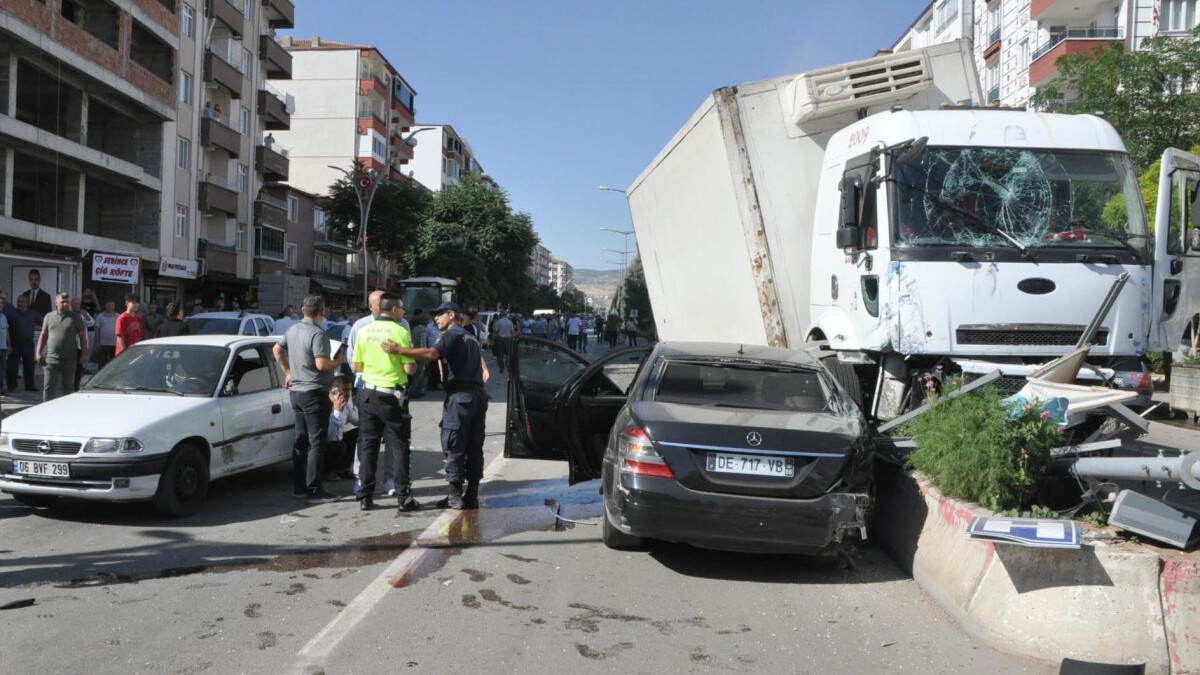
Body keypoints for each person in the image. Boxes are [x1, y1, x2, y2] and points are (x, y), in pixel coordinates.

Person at [393, 302, 488, 510]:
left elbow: (431, 354)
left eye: (439, 315)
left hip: (461, 396)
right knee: (474, 446)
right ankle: (471, 494)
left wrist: (399, 350)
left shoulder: (452, 334)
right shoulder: (469, 335)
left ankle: (455, 495)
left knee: (454, 444)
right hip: (478, 396)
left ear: (451, 315)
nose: (436, 319)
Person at [273, 295, 345, 503]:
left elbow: (277, 351)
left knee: (301, 440)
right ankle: (315, 490)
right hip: (314, 392)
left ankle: (300, 487)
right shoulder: (317, 333)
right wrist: (338, 360)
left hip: (297, 392)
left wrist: (287, 372)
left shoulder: (292, 329)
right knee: (316, 443)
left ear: (303, 310)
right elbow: (322, 365)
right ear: (322, 311)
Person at [351, 293, 417, 511]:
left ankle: (365, 496)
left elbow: (356, 367)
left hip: (368, 393)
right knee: (398, 445)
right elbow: (409, 369)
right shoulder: (400, 331)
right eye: (403, 308)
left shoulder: (363, 330)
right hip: (392, 396)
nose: (405, 312)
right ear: (395, 309)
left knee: (368, 445)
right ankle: (403, 497)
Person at [36, 292, 88, 402]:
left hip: (69, 359)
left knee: (68, 387)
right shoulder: (49, 317)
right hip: (51, 358)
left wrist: (84, 354)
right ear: (56, 303)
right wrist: (38, 352)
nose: (65, 304)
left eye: (67, 302)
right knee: (48, 387)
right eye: (62, 302)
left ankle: (66, 411)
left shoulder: (75, 317)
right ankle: (46, 410)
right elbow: (43, 335)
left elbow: (83, 337)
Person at [326, 374, 359, 483]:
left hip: (336, 440)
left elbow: (358, 421)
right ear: (334, 391)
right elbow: (331, 436)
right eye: (345, 390)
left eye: (350, 390)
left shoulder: (346, 404)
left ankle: (345, 469)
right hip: (325, 444)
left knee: (359, 432)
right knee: (339, 445)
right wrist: (337, 411)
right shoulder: (325, 404)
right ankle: (327, 471)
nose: (348, 393)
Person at [5, 294, 40, 392]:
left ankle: (30, 386)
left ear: (27, 303)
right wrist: (8, 344)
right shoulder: (12, 313)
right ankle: (11, 386)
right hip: (14, 343)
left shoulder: (32, 313)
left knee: (29, 365)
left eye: (22, 301)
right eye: (18, 301)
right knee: (12, 366)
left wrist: (35, 327)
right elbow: (6, 328)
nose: (19, 303)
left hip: (27, 343)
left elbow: (43, 322)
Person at [70, 297, 95, 390]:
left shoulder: (83, 315)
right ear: (71, 305)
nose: (76, 305)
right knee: (71, 367)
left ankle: (75, 386)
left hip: (81, 345)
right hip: (71, 345)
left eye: (78, 304)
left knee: (79, 367)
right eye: (74, 304)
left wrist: (87, 315)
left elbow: (91, 323)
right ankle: (69, 385)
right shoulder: (69, 314)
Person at [94, 301, 119, 368]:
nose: (110, 307)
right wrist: (97, 342)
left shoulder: (118, 316)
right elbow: (97, 329)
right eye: (108, 305)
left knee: (114, 363)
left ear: (114, 307)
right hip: (103, 344)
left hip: (115, 344)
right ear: (105, 306)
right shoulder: (100, 316)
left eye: (112, 305)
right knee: (102, 363)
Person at [0, 292, 9, 394]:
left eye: (2, 304)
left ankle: (1, 388)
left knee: (2, 369)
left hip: (3, 347)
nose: (1, 306)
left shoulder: (3, 317)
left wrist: (9, 345)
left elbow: (7, 332)